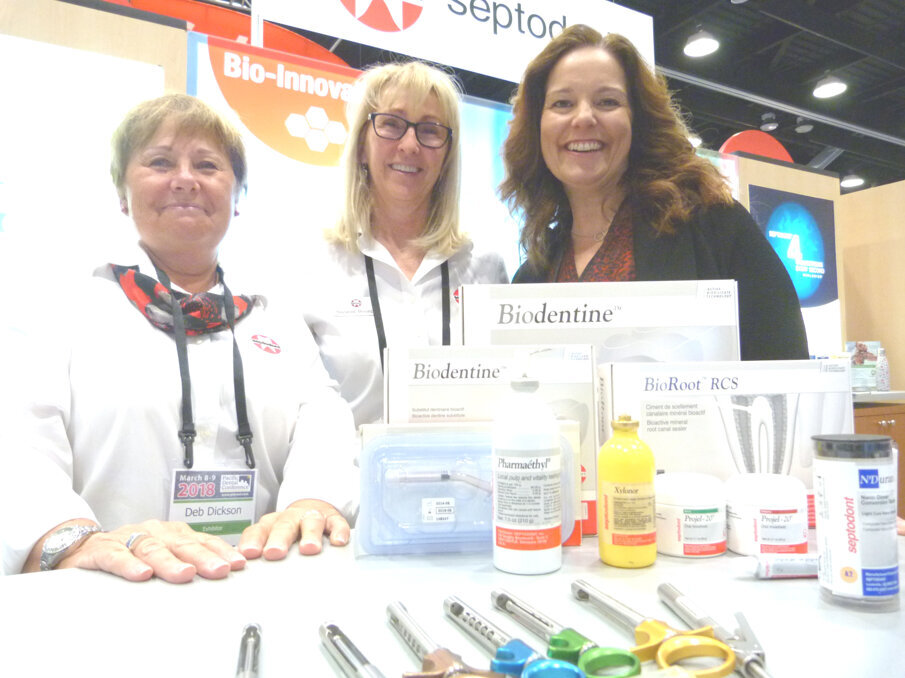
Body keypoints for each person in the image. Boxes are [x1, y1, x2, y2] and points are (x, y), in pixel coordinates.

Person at [0, 94, 357, 583]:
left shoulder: (273, 315)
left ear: (238, 196)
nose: (185, 178)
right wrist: (68, 536)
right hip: (108, 592)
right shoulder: (61, 306)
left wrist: (314, 497)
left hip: (262, 583)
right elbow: (17, 446)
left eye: (207, 165)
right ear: (122, 193)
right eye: (160, 161)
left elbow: (323, 416)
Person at [501, 25, 808, 361]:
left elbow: (786, 370)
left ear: (638, 120)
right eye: (562, 103)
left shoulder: (715, 227)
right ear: (537, 126)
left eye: (607, 101)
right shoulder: (531, 278)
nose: (584, 117)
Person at [300, 61, 509, 428]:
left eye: (430, 130)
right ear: (362, 146)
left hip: (465, 482)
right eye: (392, 125)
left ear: (446, 156)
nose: (410, 145)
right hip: (350, 483)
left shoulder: (485, 267)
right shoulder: (313, 264)